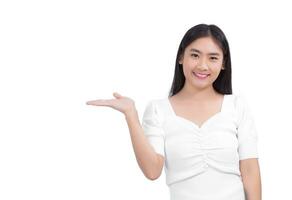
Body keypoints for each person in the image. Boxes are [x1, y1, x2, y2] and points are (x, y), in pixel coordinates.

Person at [86, 23, 262, 200]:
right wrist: (131, 115)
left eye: (213, 58)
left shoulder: (237, 106)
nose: (203, 65)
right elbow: (152, 170)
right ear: (181, 57)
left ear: (223, 63)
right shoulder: (158, 110)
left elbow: (250, 170)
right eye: (195, 55)